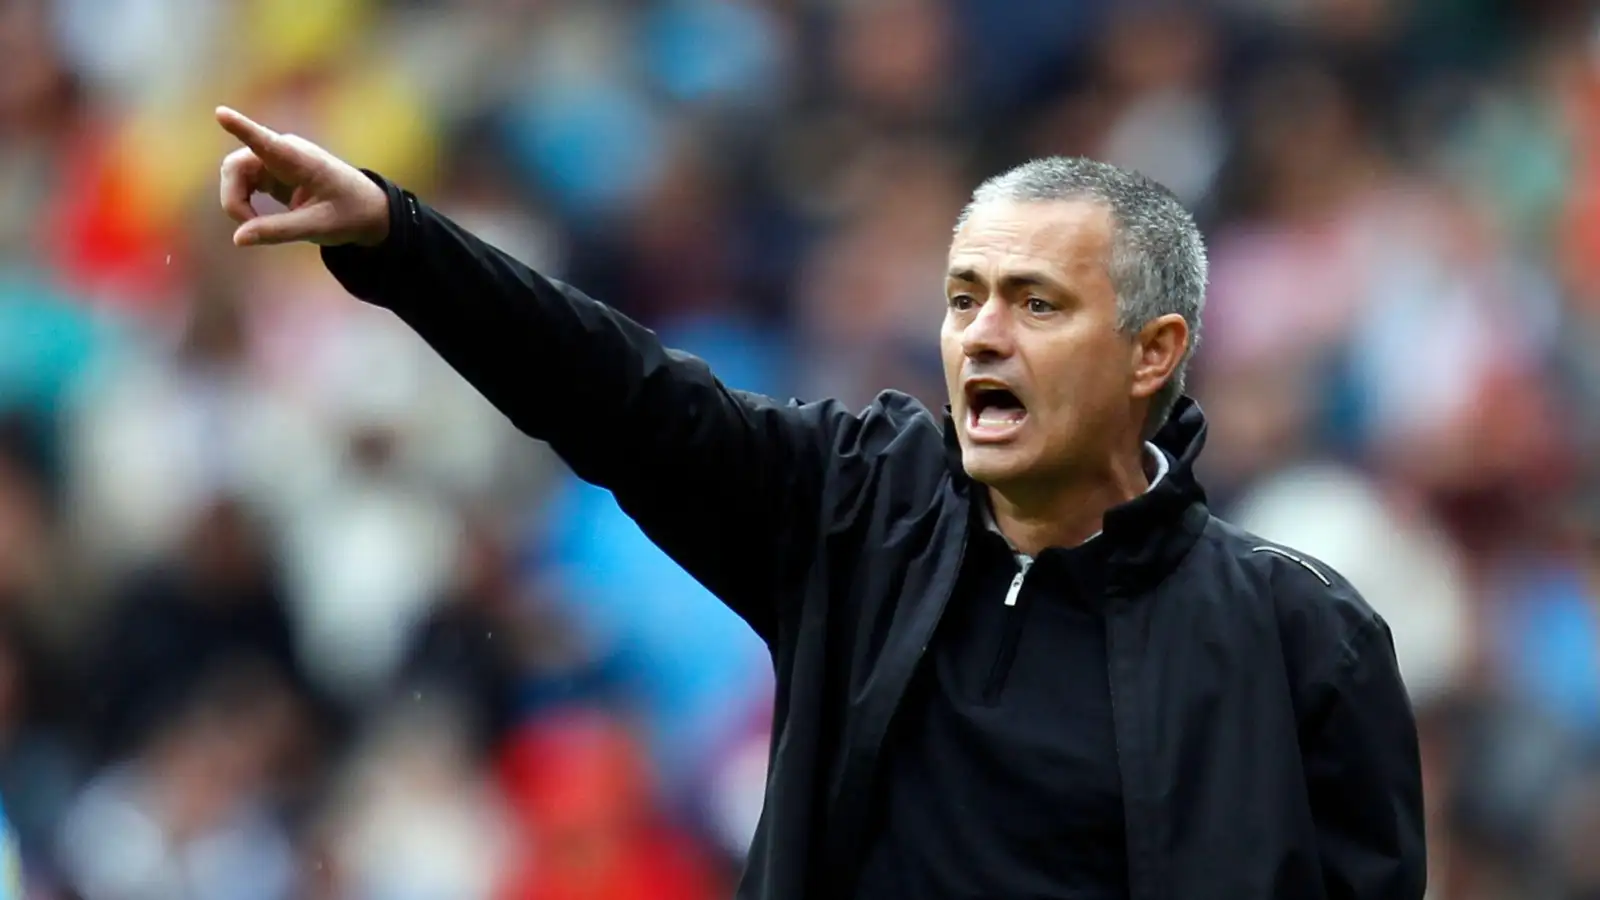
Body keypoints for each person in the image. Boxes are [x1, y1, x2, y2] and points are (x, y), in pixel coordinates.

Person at [215, 106, 1426, 899]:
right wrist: (397, 240)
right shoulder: (860, 505)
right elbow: (624, 397)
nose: (981, 337)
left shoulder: (1299, 638)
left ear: (1152, 351)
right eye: (963, 298)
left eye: (1035, 303)